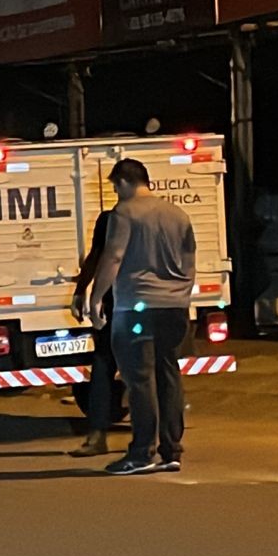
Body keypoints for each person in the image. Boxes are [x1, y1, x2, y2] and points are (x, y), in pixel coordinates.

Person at [88, 158, 196, 476]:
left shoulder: (125, 212)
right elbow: (190, 260)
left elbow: (114, 256)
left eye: (114, 187)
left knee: (139, 379)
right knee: (169, 374)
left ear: (123, 182)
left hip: (137, 306)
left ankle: (140, 453)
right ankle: (171, 450)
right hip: (175, 307)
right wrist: (180, 294)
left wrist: (96, 298)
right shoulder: (178, 214)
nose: (115, 193)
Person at [68, 209, 118, 457]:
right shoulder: (165, 217)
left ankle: (98, 436)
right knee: (154, 372)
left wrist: (86, 293)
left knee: (103, 367)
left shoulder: (113, 218)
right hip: (152, 307)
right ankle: (167, 440)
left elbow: (101, 256)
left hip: (116, 308)